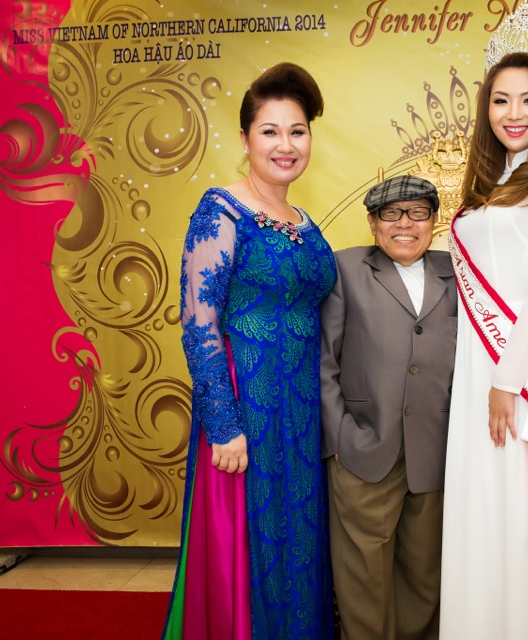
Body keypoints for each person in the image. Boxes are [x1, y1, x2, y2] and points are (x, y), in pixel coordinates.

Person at [163, 62, 336, 639]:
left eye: (297, 130)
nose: (285, 145)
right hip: (245, 414)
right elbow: (199, 324)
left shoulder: (306, 222)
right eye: (270, 131)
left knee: (301, 541)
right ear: (245, 139)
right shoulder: (222, 211)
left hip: (302, 411)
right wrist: (223, 424)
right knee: (250, 549)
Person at [439, 46, 528, 638]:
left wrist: (506, 381)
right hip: (475, 366)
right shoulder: (487, 181)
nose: (513, 112)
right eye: (500, 100)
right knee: (475, 512)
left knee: (515, 515)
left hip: (517, 371)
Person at [321, 175, 457, 639]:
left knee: (423, 577)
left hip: (435, 453)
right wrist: (339, 435)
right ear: (372, 223)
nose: (405, 224)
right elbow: (322, 361)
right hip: (363, 447)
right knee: (363, 578)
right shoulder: (344, 269)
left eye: (418, 212)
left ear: (434, 221)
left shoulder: (457, 273)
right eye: (391, 213)